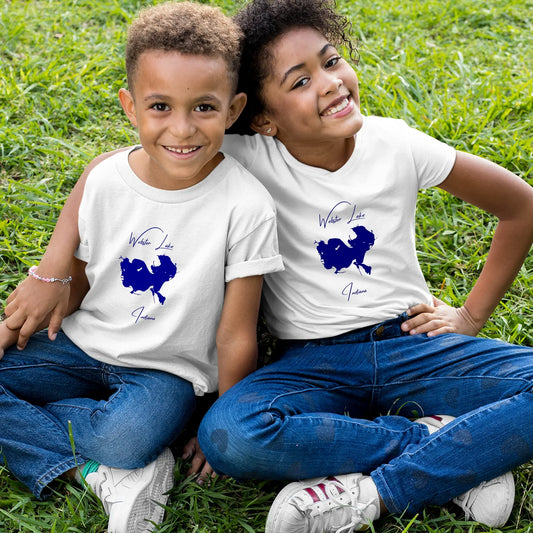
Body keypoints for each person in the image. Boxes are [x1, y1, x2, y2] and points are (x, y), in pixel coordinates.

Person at [3, 0, 533, 531]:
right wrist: (51, 271)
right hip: (312, 363)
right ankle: (453, 445)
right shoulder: (238, 151)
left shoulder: (396, 144)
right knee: (231, 436)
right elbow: (114, 165)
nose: (329, 83)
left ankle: (378, 491)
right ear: (260, 120)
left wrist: (469, 316)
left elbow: (521, 206)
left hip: (412, 343)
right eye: (299, 82)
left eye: (331, 61)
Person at [0, 2, 283, 533]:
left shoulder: (245, 205)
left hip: (167, 374)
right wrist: (13, 328)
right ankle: (96, 473)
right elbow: (79, 283)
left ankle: (115, 455)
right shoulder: (107, 180)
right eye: (160, 106)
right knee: (111, 433)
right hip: (80, 346)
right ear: (131, 107)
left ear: (233, 109)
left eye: (204, 107)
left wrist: (221, 420)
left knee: (124, 437)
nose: (182, 128)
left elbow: (235, 333)